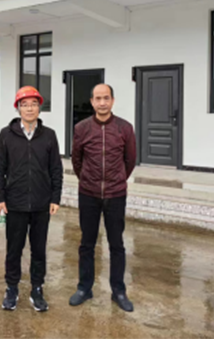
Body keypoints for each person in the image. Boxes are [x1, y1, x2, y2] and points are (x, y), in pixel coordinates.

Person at [0, 86, 63, 312]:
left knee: (39, 249)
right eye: (24, 105)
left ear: (39, 108)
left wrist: (55, 197)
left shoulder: (49, 135)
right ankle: (11, 288)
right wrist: (0, 198)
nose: (29, 108)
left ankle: (37, 288)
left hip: (42, 203)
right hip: (15, 203)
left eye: (33, 104)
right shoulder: (6, 135)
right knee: (14, 249)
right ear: (18, 108)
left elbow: (56, 169)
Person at [69, 84, 137, 312]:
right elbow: (77, 160)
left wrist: (116, 180)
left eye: (106, 98)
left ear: (112, 101)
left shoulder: (125, 128)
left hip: (115, 195)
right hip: (88, 194)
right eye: (97, 99)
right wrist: (88, 179)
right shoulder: (81, 128)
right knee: (86, 243)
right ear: (92, 102)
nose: (102, 103)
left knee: (116, 244)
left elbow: (130, 160)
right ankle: (84, 288)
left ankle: (118, 291)